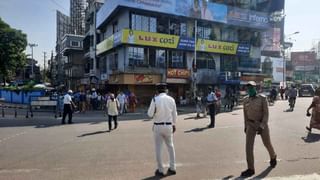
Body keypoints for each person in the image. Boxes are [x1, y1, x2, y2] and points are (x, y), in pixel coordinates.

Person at [241, 81, 277, 177]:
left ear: (255, 88)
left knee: (267, 143)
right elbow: (245, 114)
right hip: (250, 124)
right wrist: (245, 126)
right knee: (248, 147)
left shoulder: (262, 99)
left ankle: (273, 156)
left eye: (252, 87)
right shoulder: (245, 100)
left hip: (261, 123)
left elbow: (266, 114)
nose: (250, 89)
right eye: (248, 88)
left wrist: (262, 126)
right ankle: (250, 168)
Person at [147, 83, 177, 177]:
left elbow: (150, 114)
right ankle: (172, 168)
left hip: (158, 126)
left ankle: (160, 170)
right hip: (168, 126)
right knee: (170, 147)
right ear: (166, 90)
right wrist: (174, 124)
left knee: (158, 149)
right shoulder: (171, 99)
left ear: (157, 91)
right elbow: (174, 114)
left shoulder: (155, 99)